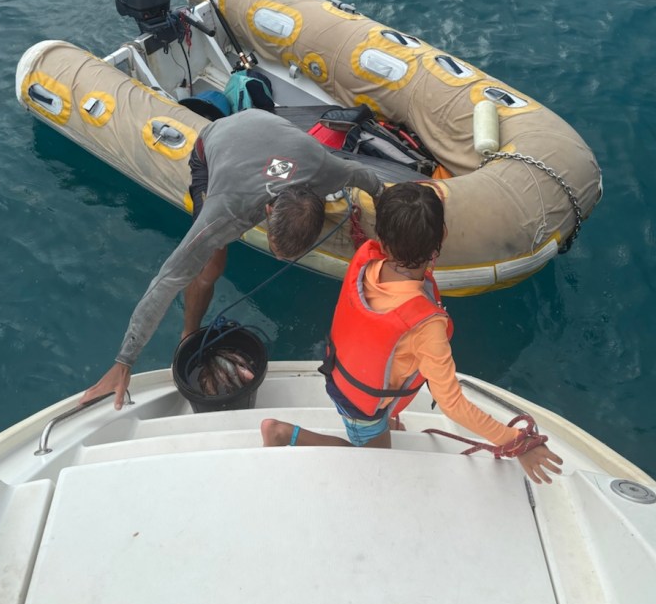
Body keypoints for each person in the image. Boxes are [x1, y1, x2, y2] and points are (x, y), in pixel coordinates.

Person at [261, 181, 563, 485]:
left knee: (377, 428)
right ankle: (284, 434)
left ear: (381, 239)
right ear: (442, 237)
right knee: (372, 458)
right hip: (360, 408)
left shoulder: (368, 263)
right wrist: (516, 442)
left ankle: (381, 424)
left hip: (340, 374)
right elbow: (452, 404)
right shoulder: (426, 327)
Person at [81, 108, 384, 410]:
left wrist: (384, 210)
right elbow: (167, 279)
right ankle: (188, 332)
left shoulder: (328, 171)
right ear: (267, 211)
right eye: (275, 248)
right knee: (211, 265)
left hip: (267, 134)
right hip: (219, 142)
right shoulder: (226, 209)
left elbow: (367, 177)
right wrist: (125, 361)